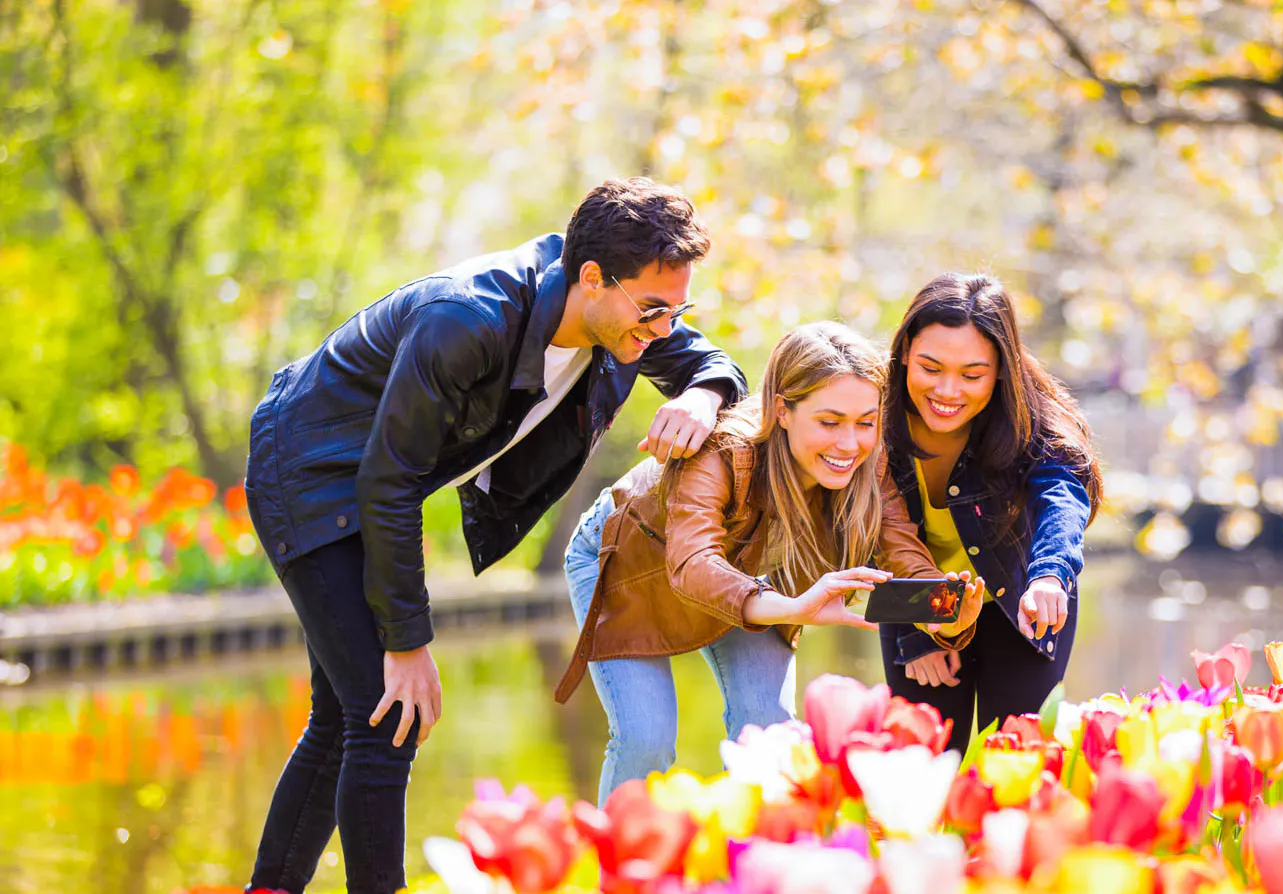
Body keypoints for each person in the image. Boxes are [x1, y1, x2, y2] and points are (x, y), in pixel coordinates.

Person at [242, 178, 747, 894]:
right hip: (309, 470)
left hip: (378, 482)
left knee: (347, 715)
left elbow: (709, 363)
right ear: (593, 278)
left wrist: (701, 393)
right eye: (655, 309)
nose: (665, 328)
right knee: (387, 717)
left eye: (678, 310)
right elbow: (387, 482)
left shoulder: (619, 318)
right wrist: (407, 641)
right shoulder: (468, 318)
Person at [554, 321, 984, 804]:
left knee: (771, 731)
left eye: (866, 422)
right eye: (829, 421)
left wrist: (947, 611)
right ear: (782, 410)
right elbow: (693, 564)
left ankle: (752, 867)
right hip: (630, 565)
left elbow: (901, 555)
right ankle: (624, 873)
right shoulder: (721, 452)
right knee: (645, 740)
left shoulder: (869, 464)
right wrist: (793, 607)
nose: (850, 445)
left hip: (749, 576)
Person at [878, 273, 1102, 754]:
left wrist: (1049, 577)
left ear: (1002, 369)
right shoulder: (872, 418)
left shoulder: (1030, 420)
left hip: (1020, 601)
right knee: (923, 770)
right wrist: (916, 634)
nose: (947, 390)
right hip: (923, 601)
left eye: (971, 374)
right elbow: (876, 537)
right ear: (903, 355)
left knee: (1014, 767)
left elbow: (1061, 498)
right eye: (930, 368)